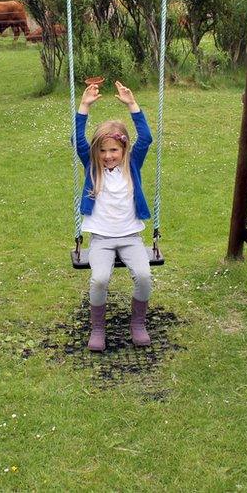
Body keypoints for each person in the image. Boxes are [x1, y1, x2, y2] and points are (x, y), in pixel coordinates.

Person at [75, 80, 154, 352]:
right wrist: (84, 106)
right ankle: (98, 328)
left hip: (131, 237)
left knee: (144, 276)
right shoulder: (92, 167)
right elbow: (78, 139)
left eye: (114, 150)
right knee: (99, 279)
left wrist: (133, 105)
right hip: (101, 240)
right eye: (103, 150)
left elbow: (146, 138)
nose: (108, 156)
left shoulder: (132, 164)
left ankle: (138, 324)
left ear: (124, 150)